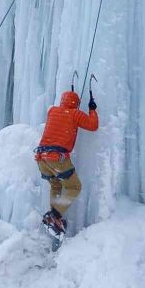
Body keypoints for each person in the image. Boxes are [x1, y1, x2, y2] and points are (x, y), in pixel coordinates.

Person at [34, 90, 98, 236]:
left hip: (41, 158)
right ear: (76, 104)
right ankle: (54, 216)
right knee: (74, 186)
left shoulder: (52, 111)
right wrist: (92, 109)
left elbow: (60, 123)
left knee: (56, 184)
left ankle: (55, 218)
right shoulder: (74, 114)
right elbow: (93, 125)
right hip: (57, 158)